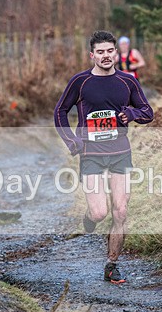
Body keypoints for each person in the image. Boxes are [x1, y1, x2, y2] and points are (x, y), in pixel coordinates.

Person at [54, 30, 154, 284]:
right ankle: (89, 218)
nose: (106, 55)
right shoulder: (81, 82)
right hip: (92, 155)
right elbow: (60, 112)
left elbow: (147, 112)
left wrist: (130, 114)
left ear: (115, 53)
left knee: (120, 211)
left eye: (110, 51)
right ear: (92, 55)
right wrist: (72, 141)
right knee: (100, 213)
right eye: (100, 52)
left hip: (120, 153)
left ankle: (112, 264)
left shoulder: (127, 81)